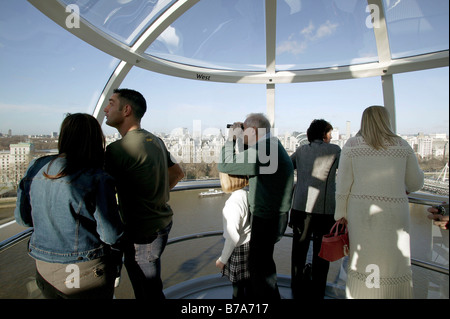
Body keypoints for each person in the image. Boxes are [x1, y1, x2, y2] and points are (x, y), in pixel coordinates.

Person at [14, 113, 123, 299]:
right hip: (85, 267)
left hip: (43, 265)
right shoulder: (97, 177)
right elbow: (110, 235)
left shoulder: (36, 167)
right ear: (96, 140)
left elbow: (23, 219)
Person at [334, 105, 424, 299]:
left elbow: (343, 186)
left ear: (363, 121)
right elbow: (415, 183)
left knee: (362, 259)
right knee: (394, 261)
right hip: (395, 213)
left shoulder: (351, 145)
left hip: (361, 214)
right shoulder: (402, 145)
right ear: (387, 120)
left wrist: (340, 214)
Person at [104, 88, 184, 299]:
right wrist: (155, 195)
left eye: (111, 103)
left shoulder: (117, 150)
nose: (105, 109)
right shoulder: (155, 140)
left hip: (142, 235)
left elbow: (100, 194)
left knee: (147, 293)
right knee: (152, 289)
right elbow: (178, 173)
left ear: (126, 110)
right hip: (162, 224)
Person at [218, 113, 294, 299]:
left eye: (244, 129)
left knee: (260, 270)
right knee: (264, 266)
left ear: (252, 131)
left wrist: (230, 139)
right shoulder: (271, 146)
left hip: (267, 218)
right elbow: (247, 161)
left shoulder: (265, 150)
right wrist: (241, 139)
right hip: (274, 215)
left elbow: (226, 165)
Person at [289, 119, 341, 299]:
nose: (332, 136)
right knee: (321, 254)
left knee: (298, 253)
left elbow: (288, 166)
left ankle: (296, 290)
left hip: (300, 209)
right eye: (329, 132)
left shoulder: (302, 150)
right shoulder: (335, 150)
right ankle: (317, 292)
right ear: (323, 134)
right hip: (324, 212)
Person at [216, 173, 252, 299]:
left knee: (237, 287)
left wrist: (222, 259)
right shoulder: (247, 195)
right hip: (249, 245)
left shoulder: (232, 204)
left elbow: (233, 237)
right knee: (248, 283)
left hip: (239, 249)